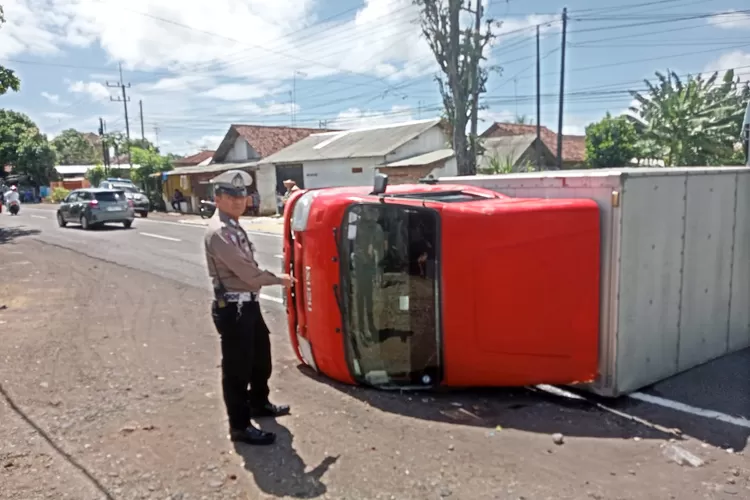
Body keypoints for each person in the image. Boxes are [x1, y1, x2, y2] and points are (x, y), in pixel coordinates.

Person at [204, 170, 294, 446]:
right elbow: (248, 274)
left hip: (247, 306)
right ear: (217, 198)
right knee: (237, 370)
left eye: (241, 196)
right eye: (230, 196)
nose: (238, 201)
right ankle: (240, 426)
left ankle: (259, 403)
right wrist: (280, 280)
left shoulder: (232, 225)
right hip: (233, 309)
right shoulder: (220, 231)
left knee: (260, 360)